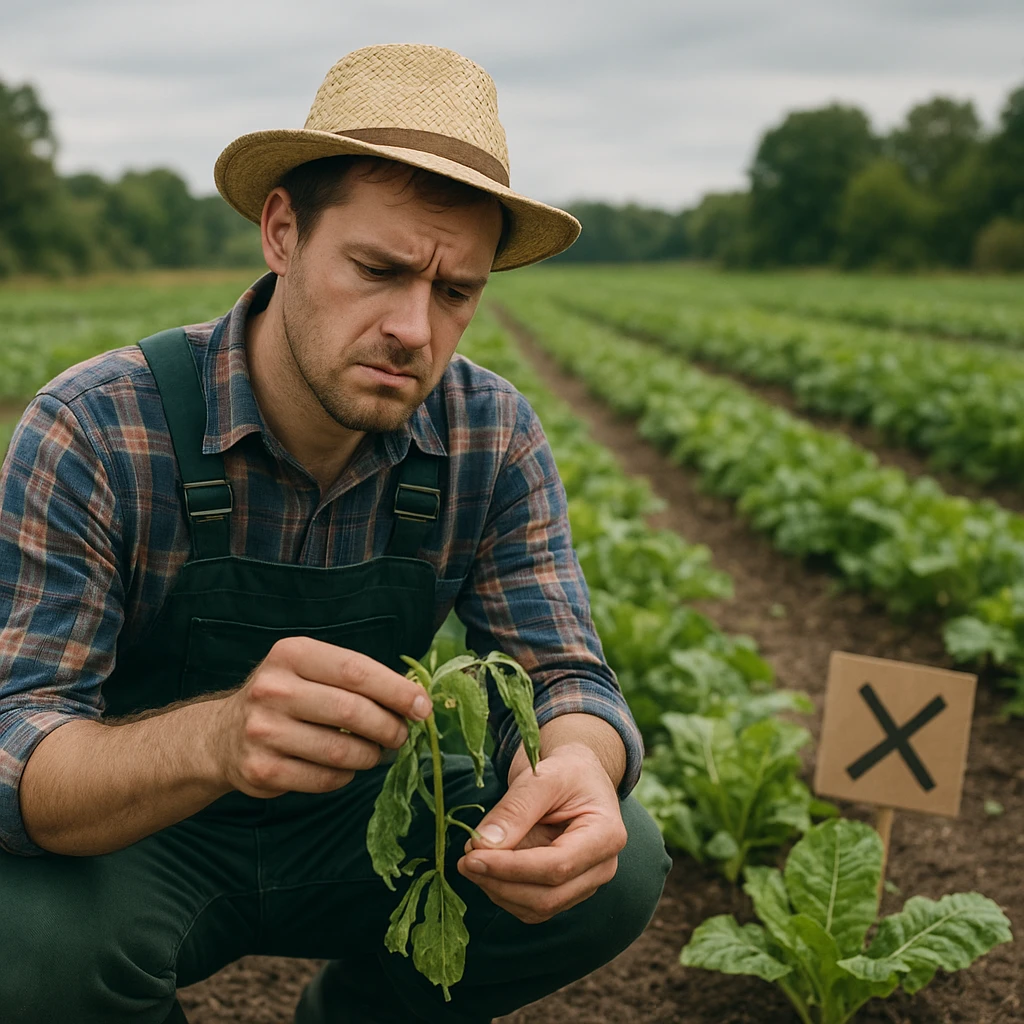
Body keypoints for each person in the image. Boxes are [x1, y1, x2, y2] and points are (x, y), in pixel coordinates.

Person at [0, 44, 669, 1023]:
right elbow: (15, 743)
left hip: (367, 824)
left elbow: (565, 675)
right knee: (22, 941)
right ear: (282, 232)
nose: (415, 329)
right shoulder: (99, 426)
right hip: (143, 832)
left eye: (455, 292)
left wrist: (575, 763)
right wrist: (219, 739)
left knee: (620, 865)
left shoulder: (490, 434)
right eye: (378, 269)